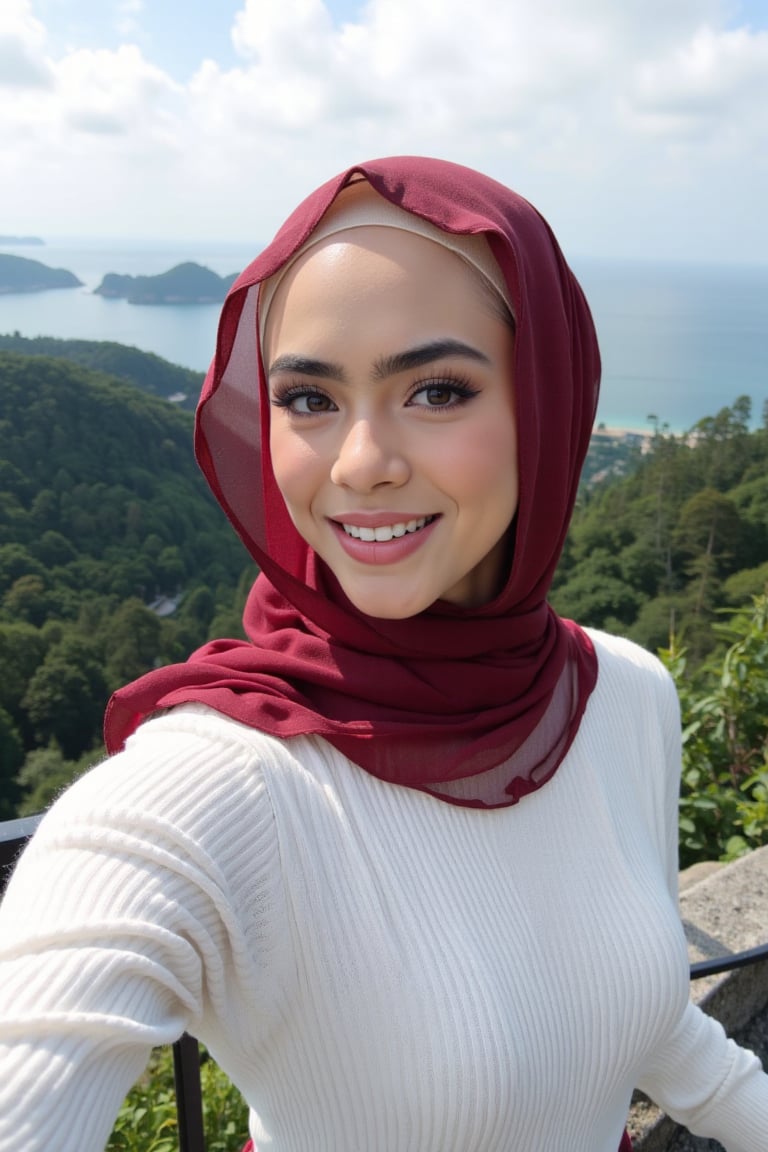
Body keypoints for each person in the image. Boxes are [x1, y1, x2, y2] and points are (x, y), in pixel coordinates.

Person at [0, 156, 766, 1152]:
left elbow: (644, 1012)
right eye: (310, 400)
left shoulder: (625, 693)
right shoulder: (210, 784)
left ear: (545, 405)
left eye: (438, 389)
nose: (362, 464)